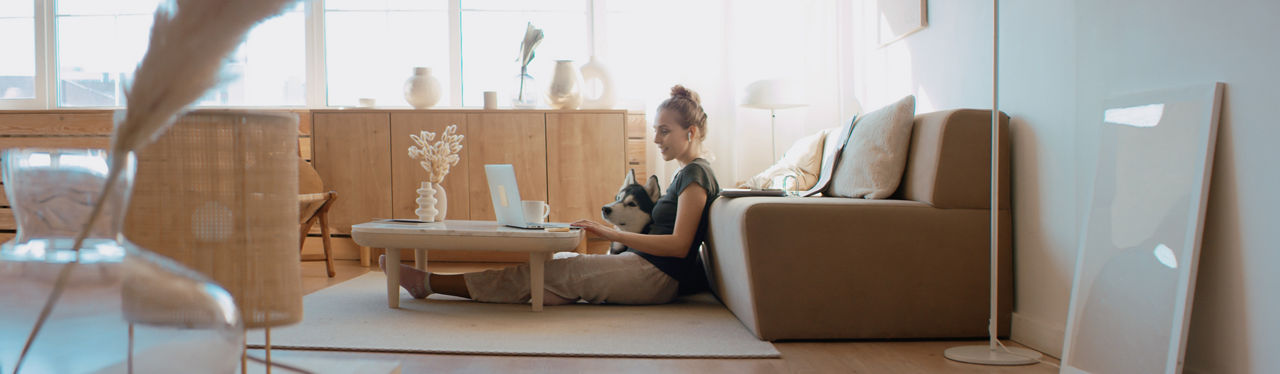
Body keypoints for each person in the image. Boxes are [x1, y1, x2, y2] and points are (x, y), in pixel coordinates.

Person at [381, 84, 720, 305]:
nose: (657, 139)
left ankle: (430, 283)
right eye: (656, 130)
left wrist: (609, 233)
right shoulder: (686, 173)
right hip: (646, 267)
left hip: (656, 276)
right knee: (551, 269)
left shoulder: (695, 175)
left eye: (665, 131)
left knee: (555, 271)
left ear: (690, 132)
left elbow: (679, 246)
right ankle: (542, 292)